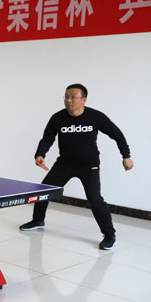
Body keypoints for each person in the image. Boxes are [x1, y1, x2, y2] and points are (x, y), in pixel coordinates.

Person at [20, 83, 133, 250]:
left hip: (89, 165)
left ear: (84, 100)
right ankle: (38, 220)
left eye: (73, 97)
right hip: (64, 164)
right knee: (43, 191)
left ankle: (109, 234)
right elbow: (47, 138)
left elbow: (117, 134)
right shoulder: (57, 118)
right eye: (66, 97)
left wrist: (126, 156)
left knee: (95, 199)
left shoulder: (96, 117)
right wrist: (40, 154)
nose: (69, 100)